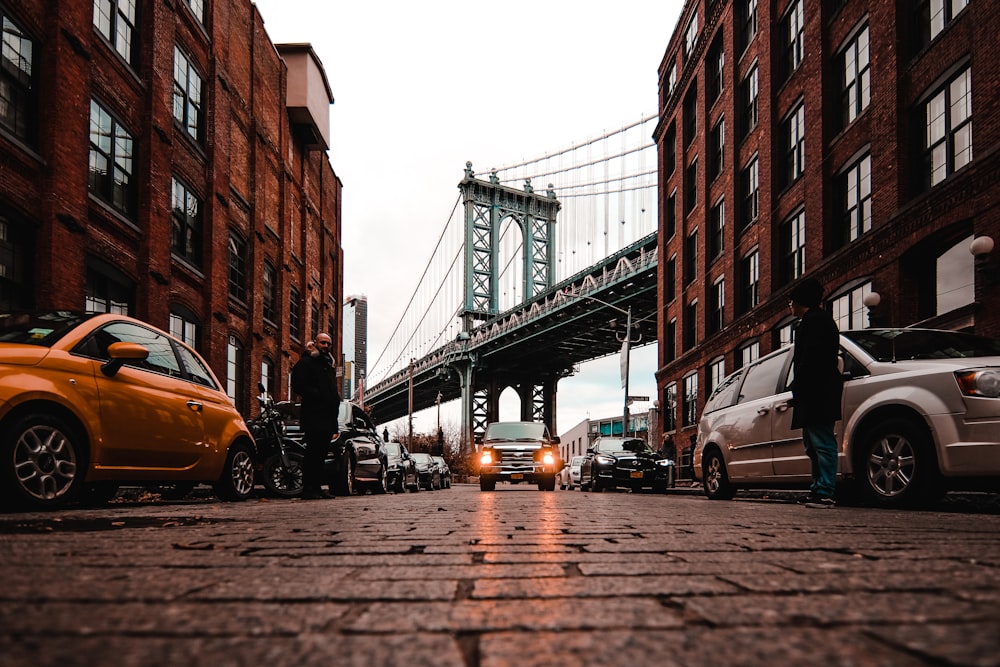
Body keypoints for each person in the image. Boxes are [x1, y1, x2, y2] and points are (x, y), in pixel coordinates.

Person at [788, 278, 844, 509]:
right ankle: (818, 489)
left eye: (791, 301)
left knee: (822, 443)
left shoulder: (817, 322)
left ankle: (825, 492)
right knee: (813, 444)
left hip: (817, 392)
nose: (789, 306)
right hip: (813, 392)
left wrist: (797, 385)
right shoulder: (812, 321)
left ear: (800, 301)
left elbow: (811, 359)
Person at [290, 332, 340, 499]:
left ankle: (317, 488)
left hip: (327, 418)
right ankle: (308, 489)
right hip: (313, 416)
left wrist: (335, 423)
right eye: (323, 343)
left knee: (321, 455)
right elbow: (298, 385)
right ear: (315, 343)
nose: (326, 346)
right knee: (312, 454)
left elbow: (332, 393)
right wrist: (320, 395)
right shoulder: (306, 362)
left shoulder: (328, 366)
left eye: (328, 343)